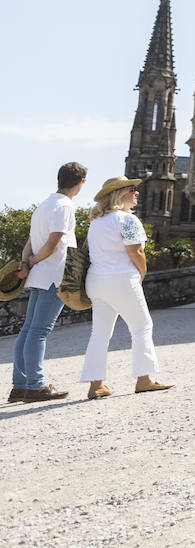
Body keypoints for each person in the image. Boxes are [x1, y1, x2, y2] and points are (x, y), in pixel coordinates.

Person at [79, 177, 173, 399]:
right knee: (142, 327)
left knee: (100, 334)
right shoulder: (128, 220)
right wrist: (142, 273)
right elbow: (136, 252)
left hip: (96, 281)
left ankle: (96, 385)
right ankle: (144, 379)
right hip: (121, 279)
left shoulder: (96, 222)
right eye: (133, 190)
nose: (137, 193)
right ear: (120, 194)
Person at [9, 162, 86, 403]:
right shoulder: (65, 206)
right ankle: (36, 386)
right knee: (39, 332)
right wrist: (31, 262)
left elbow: (30, 242)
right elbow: (53, 244)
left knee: (29, 329)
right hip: (54, 274)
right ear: (80, 183)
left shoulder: (43, 205)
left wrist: (26, 262)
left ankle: (20, 385)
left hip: (39, 276)